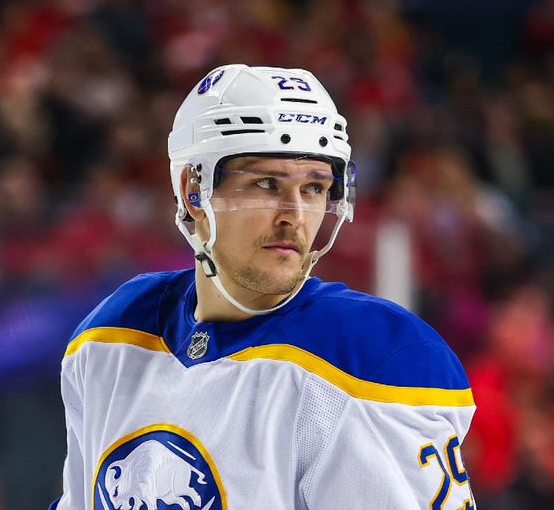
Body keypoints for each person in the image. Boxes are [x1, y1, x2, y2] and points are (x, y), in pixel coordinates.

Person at [49, 64, 477, 509]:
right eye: (267, 184)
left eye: (314, 188)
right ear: (193, 191)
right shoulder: (113, 334)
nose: (293, 214)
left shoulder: (370, 358)